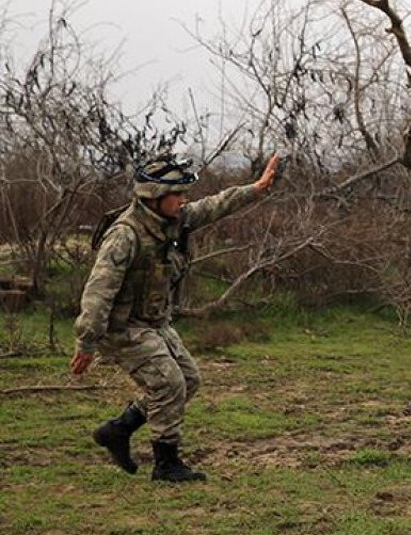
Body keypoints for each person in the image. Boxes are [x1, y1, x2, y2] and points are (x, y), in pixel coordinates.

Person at [71, 153, 280, 482]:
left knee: (188, 380)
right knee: (168, 383)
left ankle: (118, 430)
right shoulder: (124, 236)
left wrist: (256, 188)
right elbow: (98, 291)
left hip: (153, 324)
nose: (184, 201)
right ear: (154, 197)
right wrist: (87, 341)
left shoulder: (174, 220)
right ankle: (166, 464)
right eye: (177, 195)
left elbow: (215, 205)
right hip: (122, 328)